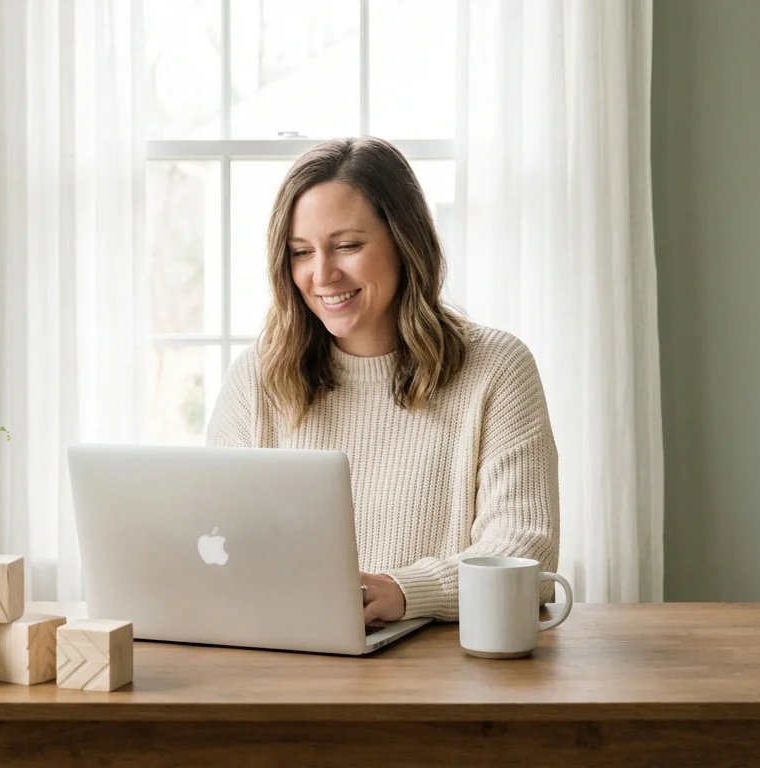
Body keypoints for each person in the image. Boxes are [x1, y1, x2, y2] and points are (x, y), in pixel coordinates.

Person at [206, 136, 559, 624]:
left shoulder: (497, 368)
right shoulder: (258, 376)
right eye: (301, 252)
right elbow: (215, 536)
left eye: (347, 246)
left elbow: (525, 552)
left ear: (405, 242)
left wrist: (405, 591)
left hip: (444, 665)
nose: (322, 274)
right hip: (290, 651)